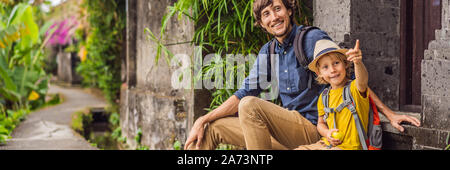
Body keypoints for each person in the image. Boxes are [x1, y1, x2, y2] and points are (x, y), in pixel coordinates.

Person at [185, 0, 421, 150]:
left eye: (277, 8)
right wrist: (202, 119)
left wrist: (389, 113)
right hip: (285, 132)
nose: (274, 17)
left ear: (289, 9)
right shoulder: (268, 51)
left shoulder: (309, 39)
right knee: (212, 128)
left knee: (250, 106)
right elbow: (244, 92)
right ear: (261, 23)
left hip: (313, 129)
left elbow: (348, 82)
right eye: (266, 14)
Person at [295, 39, 368, 150]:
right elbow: (321, 123)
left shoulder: (354, 88)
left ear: (346, 63)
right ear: (319, 73)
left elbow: (362, 81)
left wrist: (358, 63)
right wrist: (327, 133)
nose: (332, 70)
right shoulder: (324, 97)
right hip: (326, 144)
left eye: (336, 63)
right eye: (326, 67)